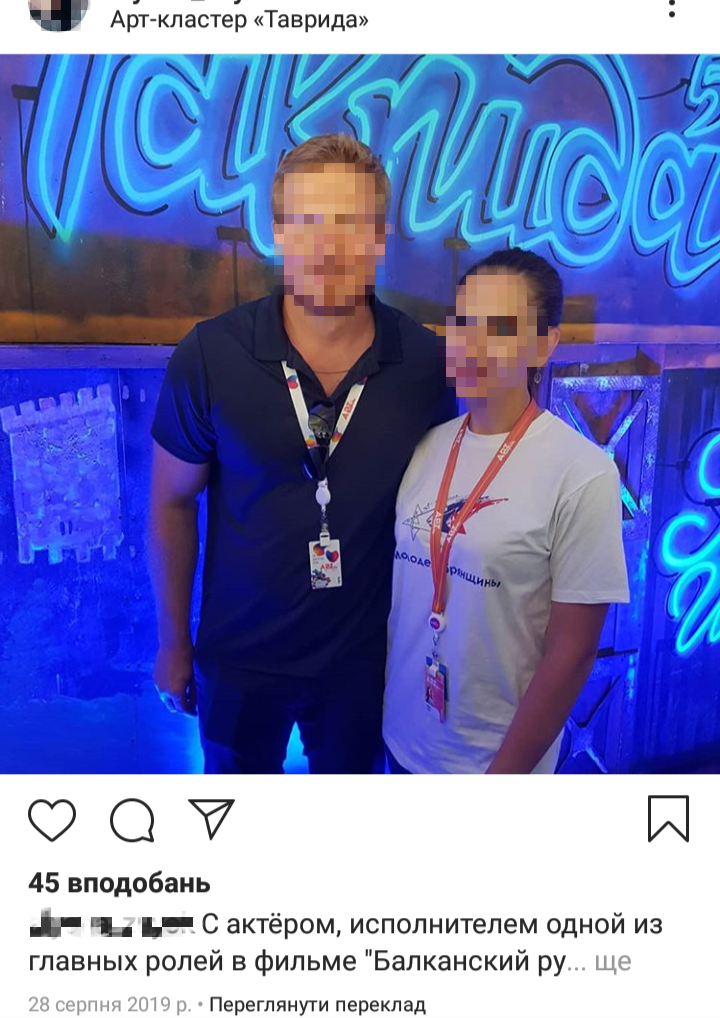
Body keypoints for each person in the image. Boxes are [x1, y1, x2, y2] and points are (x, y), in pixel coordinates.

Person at [149, 133, 456, 774]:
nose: (328, 246)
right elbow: (172, 502)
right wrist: (173, 641)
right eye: (308, 221)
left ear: (379, 237)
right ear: (279, 232)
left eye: (350, 223)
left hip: (365, 665)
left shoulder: (427, 365)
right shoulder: (210, 355)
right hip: (240, 660)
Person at [383, 247, 630, 774]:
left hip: (493, 762)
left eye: (498, 326)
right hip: (402, 742)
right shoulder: (426, 446)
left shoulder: (581, 472)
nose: (472, 343)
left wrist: (505, 778)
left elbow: (572, 653)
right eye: (463, 322)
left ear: (544, 343)